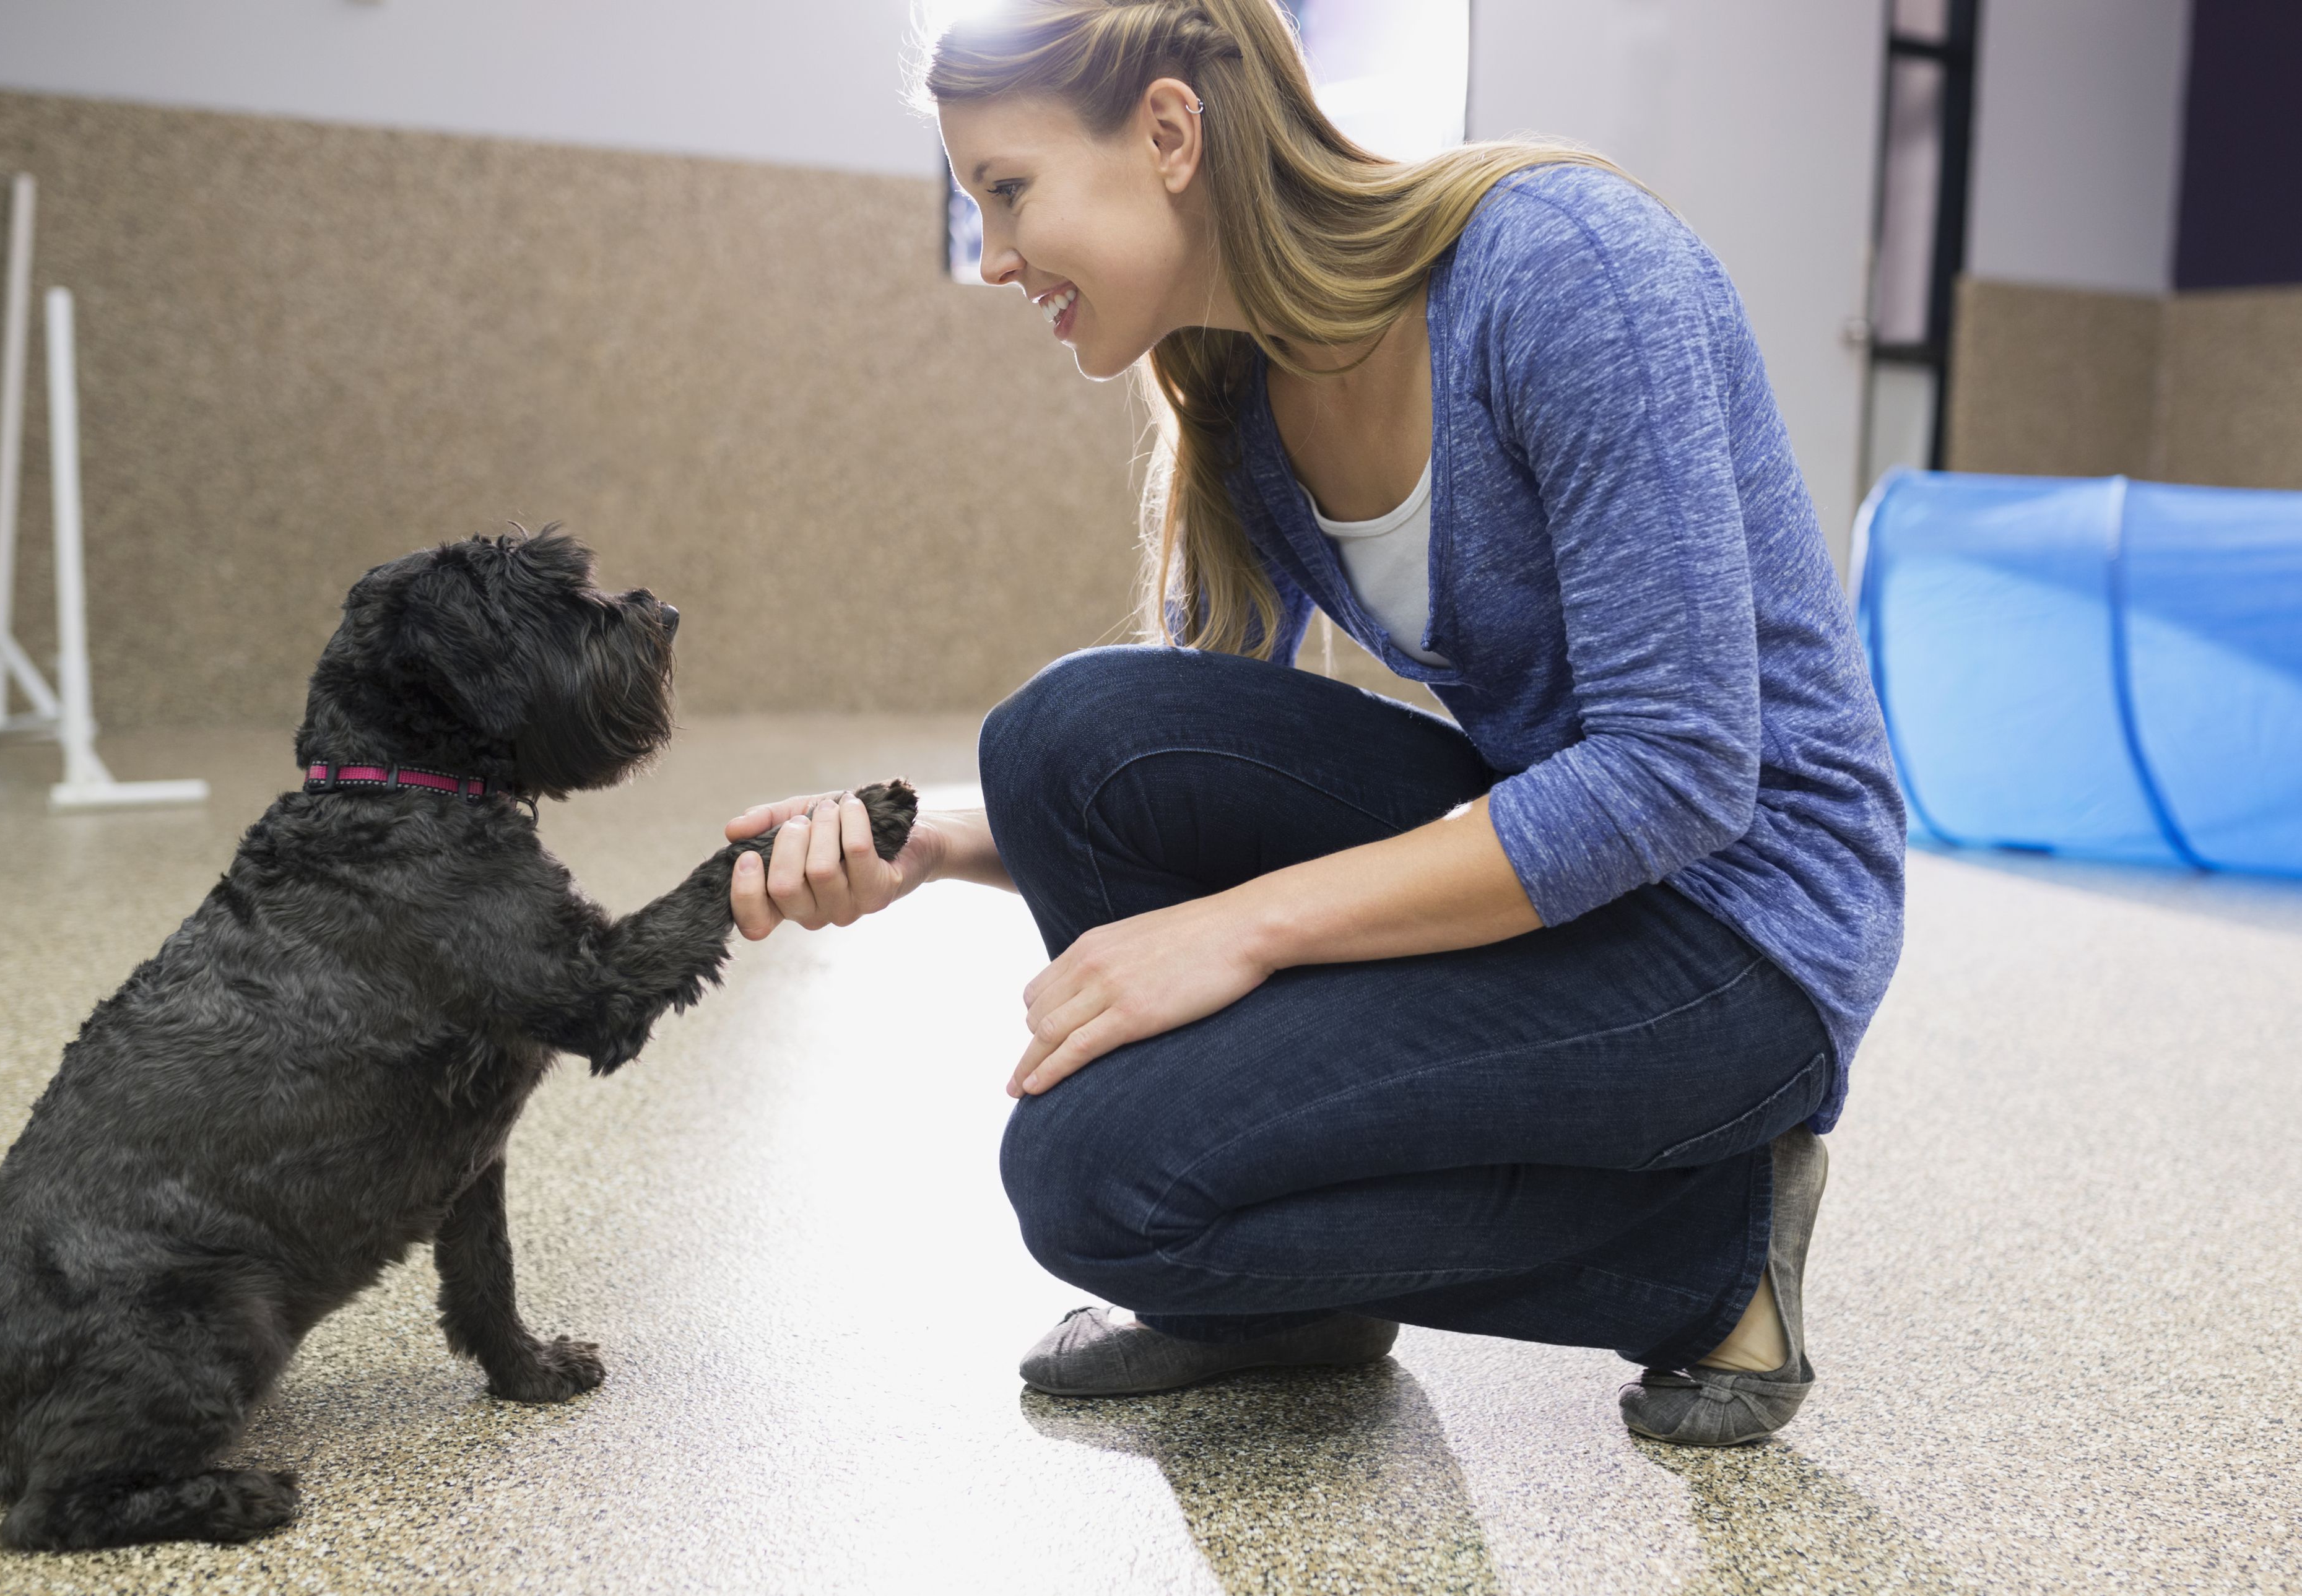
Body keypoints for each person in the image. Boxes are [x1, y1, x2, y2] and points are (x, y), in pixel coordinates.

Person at [721, 0, 1904, 1447]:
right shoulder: (1238, 389)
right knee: (1062, 741)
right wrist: (933, 843)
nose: (996, 256)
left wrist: (1254, 924)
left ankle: (1709, 1252)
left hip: (1742, 938)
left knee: (1097, 1181)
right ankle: (1284, 1301)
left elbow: (1677, 773)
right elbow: (1168, 777)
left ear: (1166, 133)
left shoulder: (1564, 270)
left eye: (1009, 190)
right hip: (1572, 875)